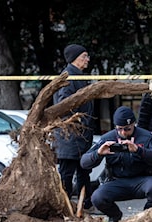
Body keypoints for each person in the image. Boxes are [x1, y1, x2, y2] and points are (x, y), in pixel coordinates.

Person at [80, 106, 152, 222]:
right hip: (117, 181)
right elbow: (84, 163)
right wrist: (98, 154)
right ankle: (115, 216)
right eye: (119, 129)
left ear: (134, 124)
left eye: (127, 129)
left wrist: (139, 150)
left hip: (141, 180)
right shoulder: (108, 138)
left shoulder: (146, 136)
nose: (123, 132)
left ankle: (145, 219)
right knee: (97, 197)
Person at [53, 44, 95, 211]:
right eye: (84, 56)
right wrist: (79, 122)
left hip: (80, 136)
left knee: (84, 172)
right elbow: (65, 105)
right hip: (69, 136)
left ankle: (85, 204)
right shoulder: (68, 78)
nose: (88, 59)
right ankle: (64, 207)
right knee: (67, 174)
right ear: (75, 58)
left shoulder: (79, 77)